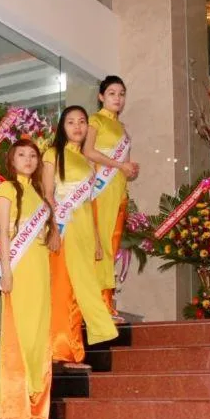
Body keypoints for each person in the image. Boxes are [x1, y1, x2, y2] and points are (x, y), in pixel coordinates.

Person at [42, 106, 119, 367]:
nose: (77, 127)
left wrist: (98, 241)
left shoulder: (88, 161)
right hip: (65, 229)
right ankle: (59, 350)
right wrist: (53, 228)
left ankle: (75, 350)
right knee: (64, 287)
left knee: (80, 289)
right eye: (71, 122)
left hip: (86, 231)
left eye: (82, 122)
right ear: (62, 127)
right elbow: (47, 195)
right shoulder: (53, 154)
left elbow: (91, 204)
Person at [0, 139, 57, 419]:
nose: (28, 160)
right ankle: (14, 405)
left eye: (33, 155)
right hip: (19, 270)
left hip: (41, 270)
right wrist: (6, 270)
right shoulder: (7, 189)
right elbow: (4, 235)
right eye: (22, 154)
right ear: (12, 159)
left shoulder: (39, 192)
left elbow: (47, 234)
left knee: (38, 332)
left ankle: (35, 402)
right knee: (19, 332)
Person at [83, 75, 139, 322]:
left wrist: (129, 168)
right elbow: (88, 151)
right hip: (100, 191)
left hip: (118, 193)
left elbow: (125, 165)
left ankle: (105, 300)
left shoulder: (123, 129)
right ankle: (99, 304)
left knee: (112, 246)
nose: (118, 98)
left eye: (122, 94)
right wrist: (119, 164)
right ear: (101, 96)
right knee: (101, 246)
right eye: (113, 93)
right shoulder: (95, 120)